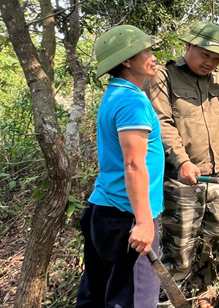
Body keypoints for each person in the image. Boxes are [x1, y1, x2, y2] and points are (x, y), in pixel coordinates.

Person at [144, 22, 219, 291]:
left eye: (216, 58)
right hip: (182, 177)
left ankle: (206, 292)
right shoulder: (163, 76)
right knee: (179, 250)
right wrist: (182, 161)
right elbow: (162, 123)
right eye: (206, 55)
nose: (211, 63)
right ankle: (172, 297)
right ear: (189, 46)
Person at [76, 25, 164, 308]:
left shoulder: (115, 94)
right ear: (126, 61)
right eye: (146, 51)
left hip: (104, 211)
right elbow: (133, 165)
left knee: (98, 296)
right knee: (134, 300)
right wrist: (143, 222)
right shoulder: (131, 101)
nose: (153, 57)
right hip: (127, 216)